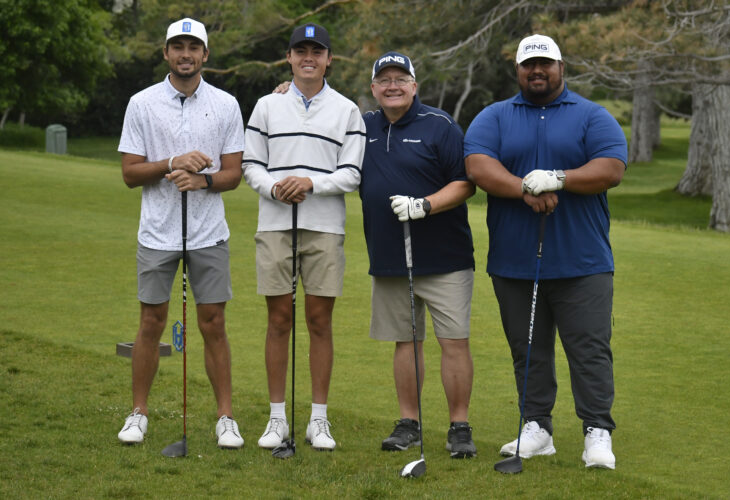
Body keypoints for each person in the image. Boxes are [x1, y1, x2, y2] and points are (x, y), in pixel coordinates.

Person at [463, 34, 627, 469]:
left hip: (582, 261)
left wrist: (559, 179)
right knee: (528, 349)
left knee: (589, 350)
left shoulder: (592, 115)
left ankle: (597, 431)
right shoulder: (494, 116)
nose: (537, 71)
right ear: (518, 70)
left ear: (560, 67)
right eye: (528, 65)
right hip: (514, 260)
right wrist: (523, 188)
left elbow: (611, 168)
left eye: (545, 63)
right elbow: (478, 166)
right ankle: (537, 427)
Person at [117, 18, 245, 449]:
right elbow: (130, 173)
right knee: (151, 321)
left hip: (209, 233)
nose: (185, 54)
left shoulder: (226, 104)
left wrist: (202, 180)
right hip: (157, 233)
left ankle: (225, 417)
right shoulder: (142, 103)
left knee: (213, 323)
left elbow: (233, 174)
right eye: (178, 46)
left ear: (205, 54)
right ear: (166, 53)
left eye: (193, 47)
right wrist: (173, 162)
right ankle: (138, 412)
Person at [242, 23, 365, 451]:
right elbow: (251, 164)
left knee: (319, 320)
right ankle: (277, 418)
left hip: (325, 226)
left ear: (329, 59)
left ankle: (318, 420)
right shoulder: (266, 106)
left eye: (317, 51)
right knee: (278, 319)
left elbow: (351, 173)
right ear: (289, 58)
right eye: (301, 51)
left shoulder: (347, 110)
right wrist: (275, 187)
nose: (308, 58)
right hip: (275, 224)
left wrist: (310, 183)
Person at [361, 52, 478, 458]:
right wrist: (286, 91)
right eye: (384, 80)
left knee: (453, 342)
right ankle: (408, 423)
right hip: (390, 255)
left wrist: (425, 205)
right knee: (405, 342)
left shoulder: (440, 125)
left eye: (400, 79)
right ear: (374, 88)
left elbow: (465, 182)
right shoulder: (363, 126)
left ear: (414, 85)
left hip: (445, 257)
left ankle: (459, 427)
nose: (392, 86)